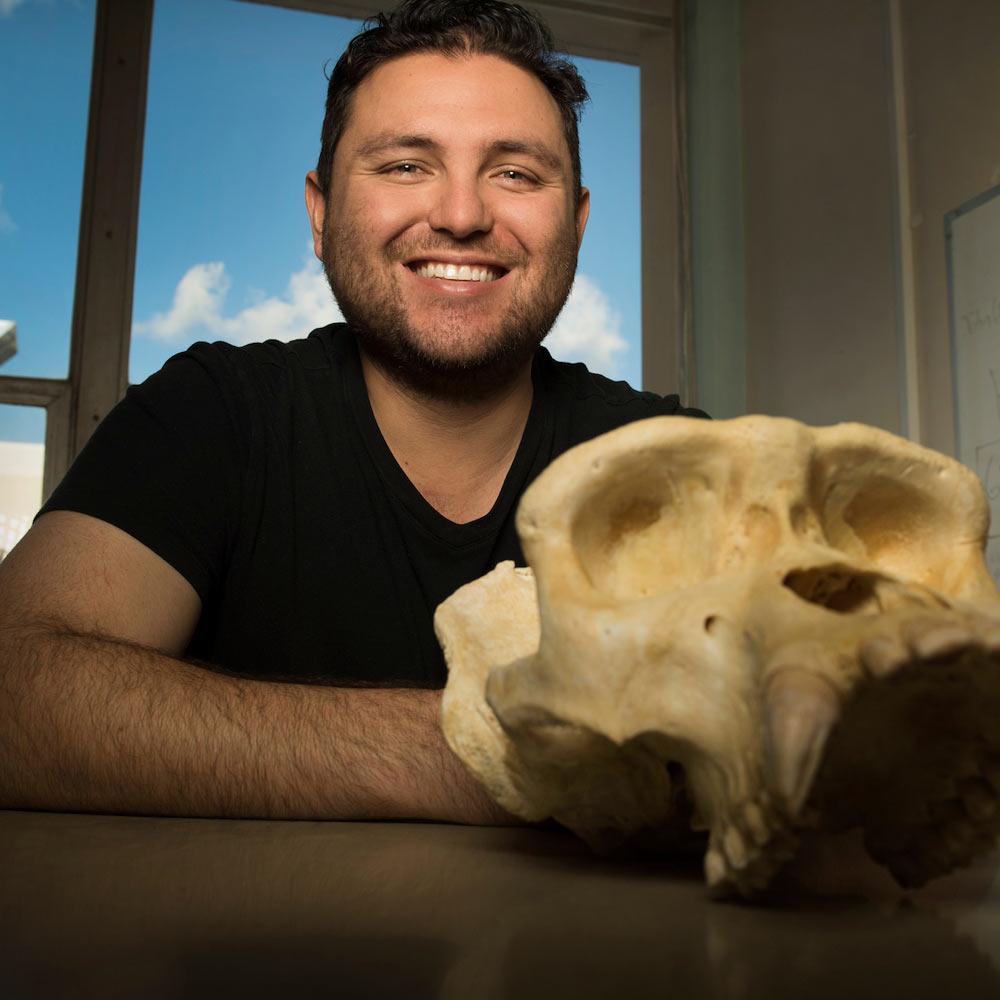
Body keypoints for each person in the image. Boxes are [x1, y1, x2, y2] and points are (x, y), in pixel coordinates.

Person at [0, 0, 704, 824]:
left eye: (515, 173)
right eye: (405, 165)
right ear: (321, 211)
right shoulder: (212, 414)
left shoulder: (677, 465)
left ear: (576, 223)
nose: (463, 215)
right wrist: (491, 754)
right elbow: (16, 688)